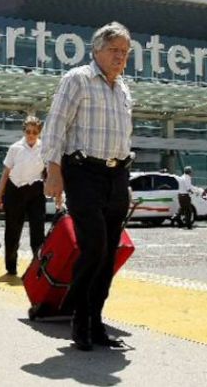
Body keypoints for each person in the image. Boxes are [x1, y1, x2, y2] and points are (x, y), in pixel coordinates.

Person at [41, 21, 133, 351]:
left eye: (125, 52)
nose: (120, 57)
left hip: (116, 176)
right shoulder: (77, 79)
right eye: (114, 50)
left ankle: (95, 321)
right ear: (96, 50)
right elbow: (55, 126)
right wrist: (53, 171)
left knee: (109, 255)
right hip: (83, 173)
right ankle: (78, 317)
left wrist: (125, 179)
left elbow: (124, 137)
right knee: (93, 247)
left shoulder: (123, 89)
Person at [0, 116, 46, 276]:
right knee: (13, 231)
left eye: (35, 132)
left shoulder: (45, 148)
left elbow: (49, 172)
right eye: (28, 131)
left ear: (39, 133)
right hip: (15, 190)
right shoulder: (15, 148)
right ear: (24, 131)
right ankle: (11, 267)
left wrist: (59, 195)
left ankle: (38, 267)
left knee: (38, 231)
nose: (31, 135)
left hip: (36, 190)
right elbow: (5, 174)